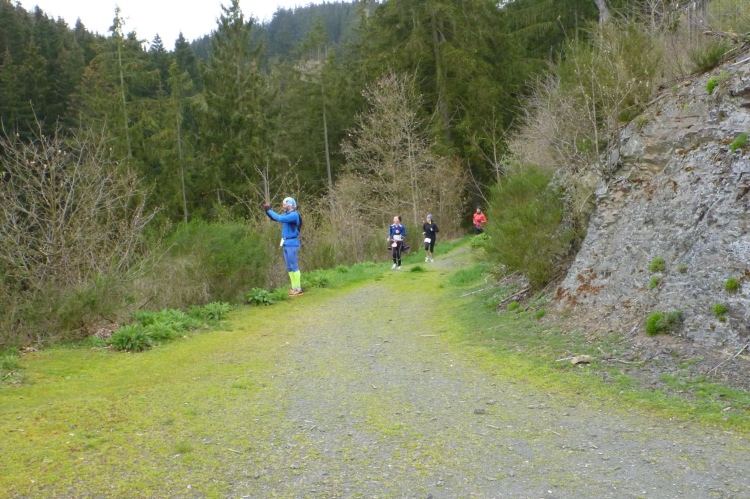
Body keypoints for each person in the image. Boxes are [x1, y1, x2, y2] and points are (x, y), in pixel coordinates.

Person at [263, 197, 303, 296]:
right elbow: (274, 218)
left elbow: (279, 218)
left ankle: (298, 288)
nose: (283, 205)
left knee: (294, 266)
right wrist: (267, 211)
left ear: (290, 205)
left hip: (292, 243)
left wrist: (269, 210)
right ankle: (294, 287)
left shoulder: (294, 215)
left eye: (284, 203)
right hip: (286, 243)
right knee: (289, 267)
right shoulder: (287, 214)